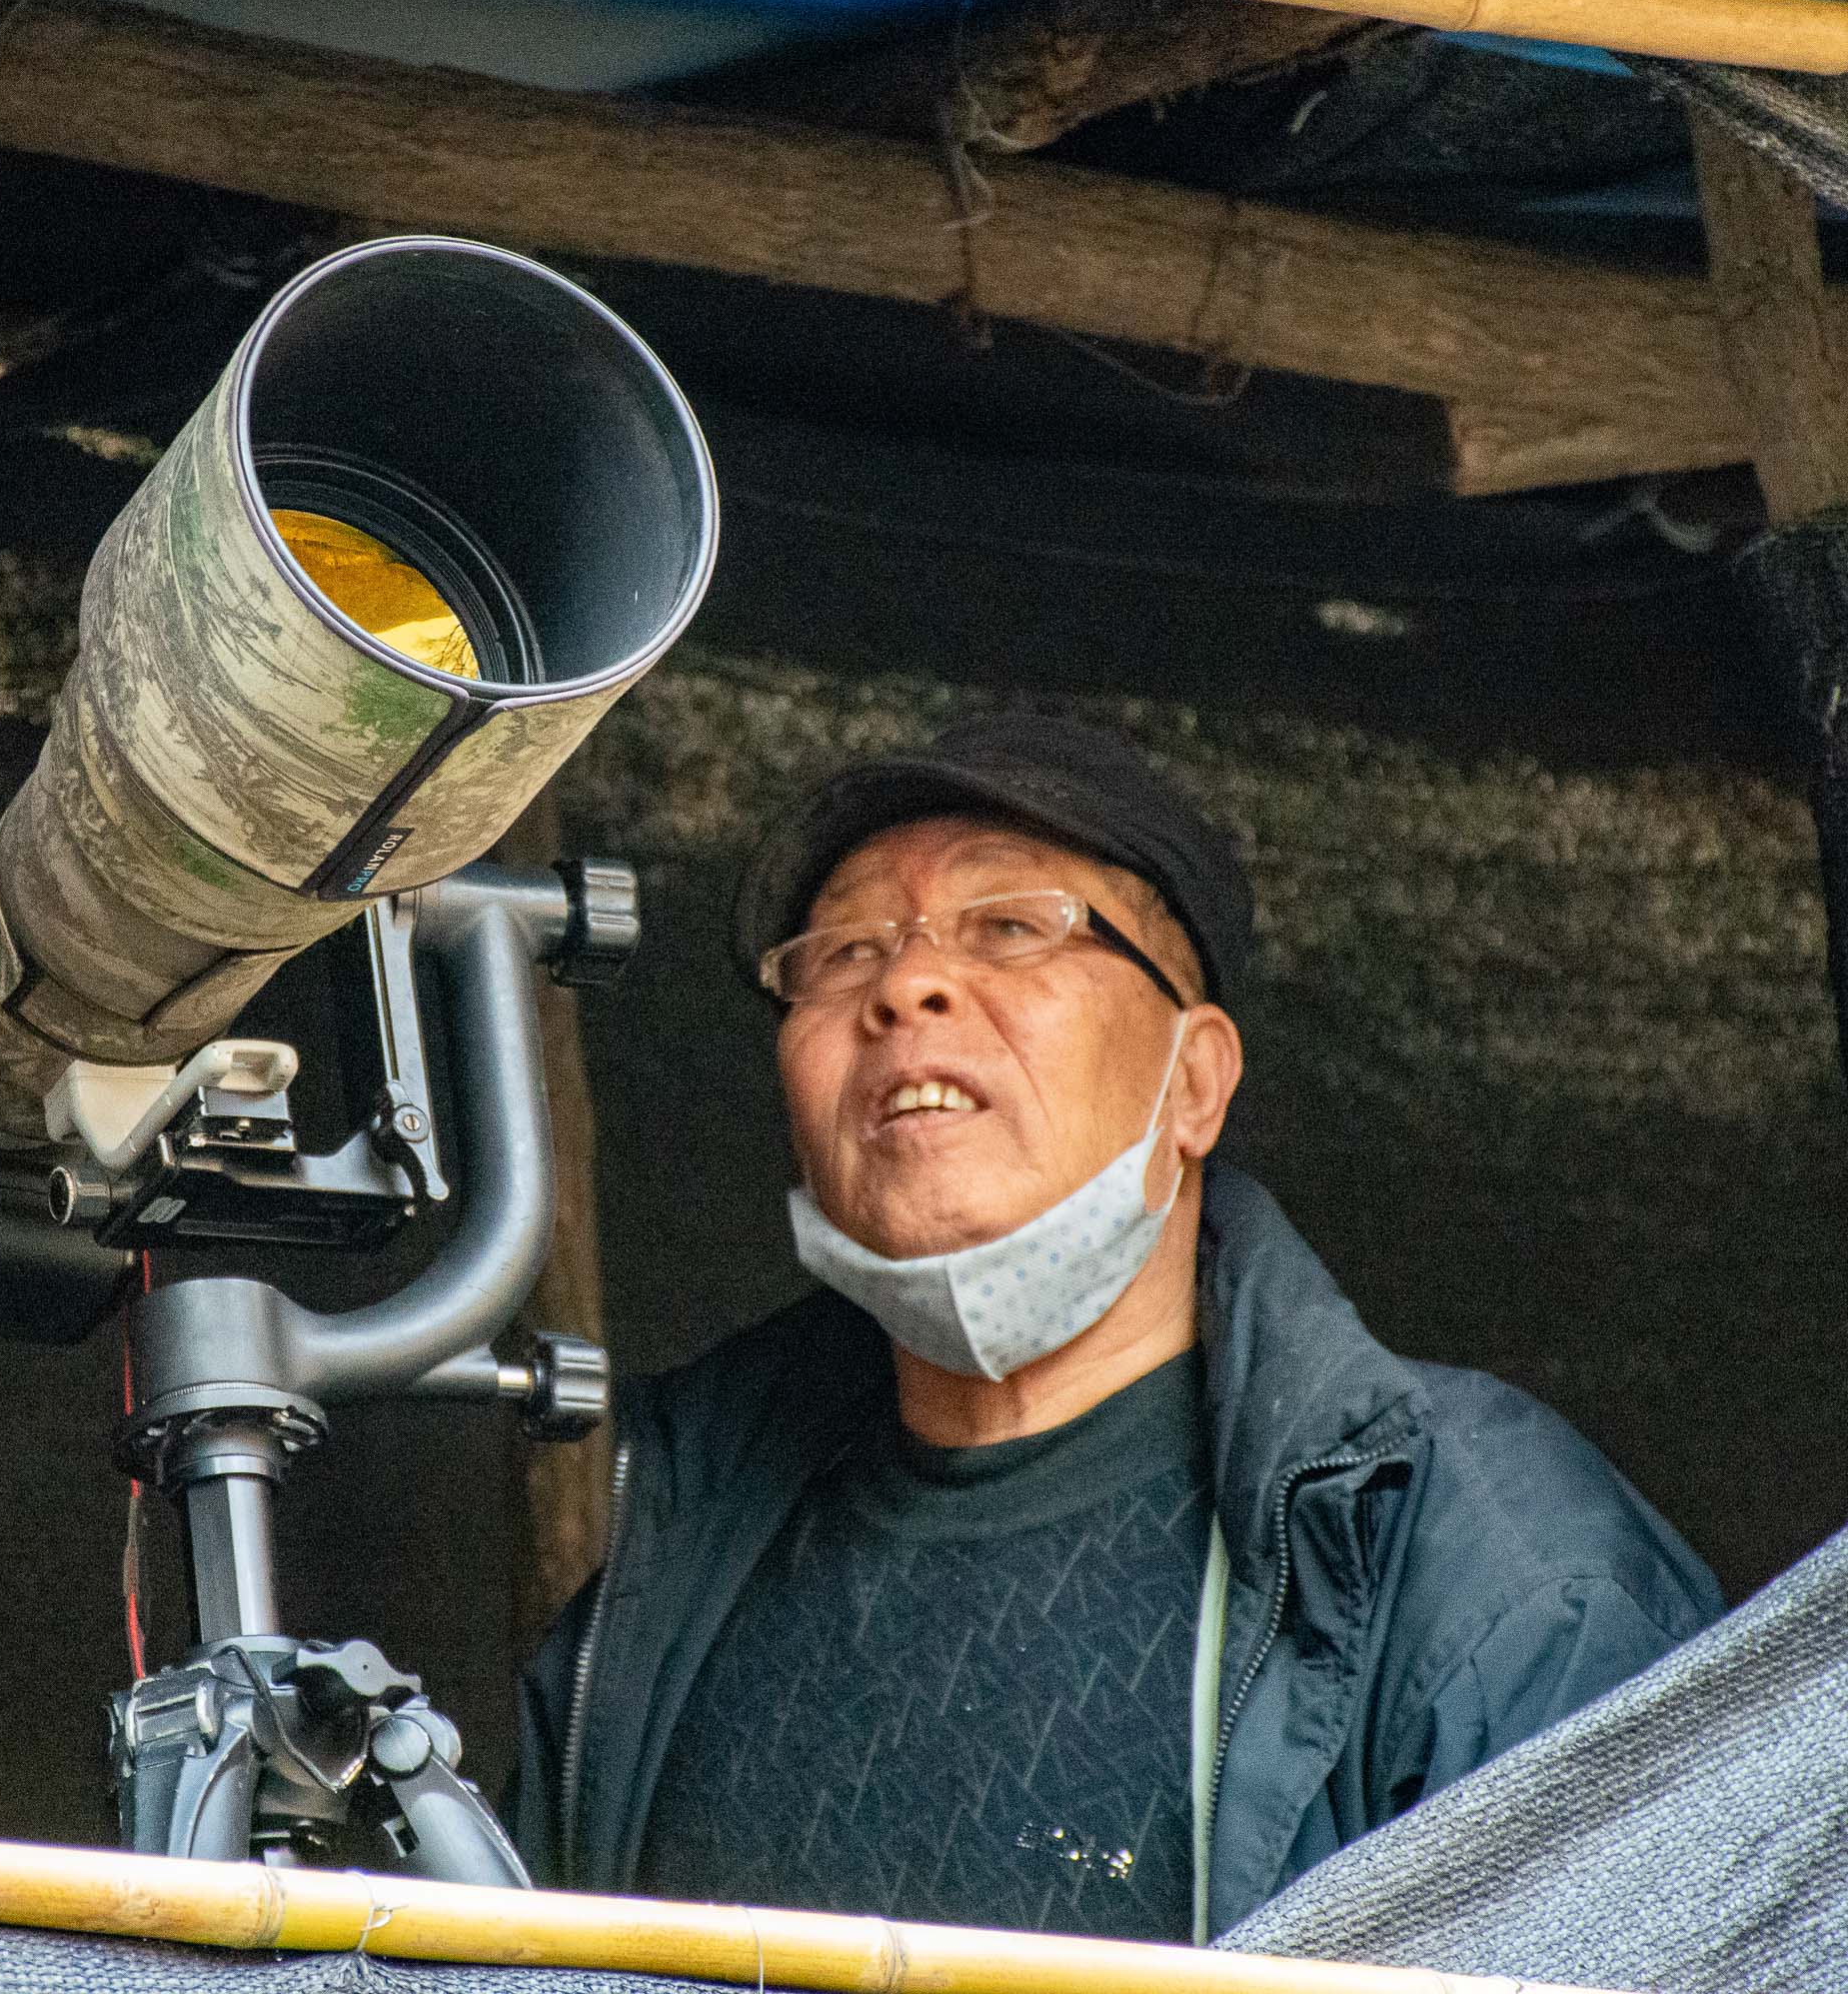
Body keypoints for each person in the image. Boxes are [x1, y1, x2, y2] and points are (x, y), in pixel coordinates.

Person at [511, 713, 1719, 1943]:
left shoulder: (1485, 1563)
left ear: (1195, 1080)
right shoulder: (674, 1552)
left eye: (1012, 926)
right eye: (843, 949)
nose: (904, 985)